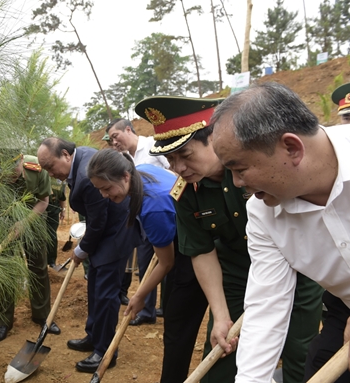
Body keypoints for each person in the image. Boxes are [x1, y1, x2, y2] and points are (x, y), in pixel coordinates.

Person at [134, 94, 323, 383]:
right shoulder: (185, 193)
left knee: (299, 350)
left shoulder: (262, 170)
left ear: (215, 139)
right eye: (171, 159)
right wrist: (221, 314)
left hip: (295, 267)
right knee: (224, 352)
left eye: (185, 156)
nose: (179, 168)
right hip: (236, 275)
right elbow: (201, 252)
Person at [209, 82, 350, 382]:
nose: (236, 183)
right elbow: (265, 307)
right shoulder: (262, 213)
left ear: (291, 148)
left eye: (240, 168)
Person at [37, 138, 141, 373]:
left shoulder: (85, 176)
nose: (52, 175)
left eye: (51, 167)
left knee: (105, 294)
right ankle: (93, 337)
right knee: (94, 285)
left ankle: (105, 351)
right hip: (103, 231)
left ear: (65, 154)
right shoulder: (79, 158)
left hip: (114, 234)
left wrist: (81, 249)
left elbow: (98, 222)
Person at [85, 149, 177, 329]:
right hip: (169, 223)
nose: (104, 195)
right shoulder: (141, 170)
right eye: (99, 190)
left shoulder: (153, 208)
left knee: (176, 321)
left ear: (126, 176)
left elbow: (167, 262)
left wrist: (139, 296)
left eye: (107, 188)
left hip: (190, 241)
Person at [0, 149, 60, 342]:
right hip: (3, 221)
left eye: (13, 169)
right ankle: (3, 322)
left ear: (20, 160)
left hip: (34, 218)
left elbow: (44, 201)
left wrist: (24, 222)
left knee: (38, 268)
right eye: (4, 171)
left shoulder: (37, 168)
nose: (9, 175)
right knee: (4, 270)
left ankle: (42, 315)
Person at [107, 118, 170, 320]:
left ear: (128, 129)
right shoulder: (123, 158)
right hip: (143, 217)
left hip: (162, 212)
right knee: (145, 264)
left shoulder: (153, 145)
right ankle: (147, 310)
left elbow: (174, 171)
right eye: (110, 140)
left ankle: (167, 307)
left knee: (166, 262)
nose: (114, 142)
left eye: (115, 136)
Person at [46, 178, 66, 268]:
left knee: (52, 236)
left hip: (53, 211)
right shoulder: (38, 175)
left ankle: (51, 262)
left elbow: (62, 197)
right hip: (38, 212)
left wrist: (63, 210)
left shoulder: (58, 181)